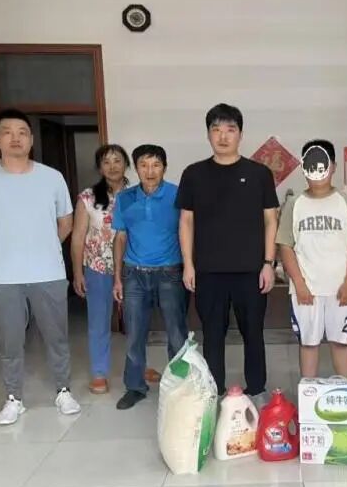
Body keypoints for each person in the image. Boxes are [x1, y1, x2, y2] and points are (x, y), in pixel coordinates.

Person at [0, 108, 81, 426]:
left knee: (57, 337)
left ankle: (63, 391)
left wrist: (42, 246)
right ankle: (14, 398)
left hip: (48, 273)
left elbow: (66, 222)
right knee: (10, 342)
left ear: (31, 139)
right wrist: (1, 247)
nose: (15, 138)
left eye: (22, 132)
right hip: (3, 277)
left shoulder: (51, 177)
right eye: (7, 132)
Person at [177, 103, 279, 397]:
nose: (223, 136)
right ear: (208, 134)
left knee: (253, 333)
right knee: (212, 335)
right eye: (216, 130)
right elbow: (186, 221)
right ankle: (214, 390)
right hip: (208, 271)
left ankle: (256, 389)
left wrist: (268, 263)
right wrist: (188, 264)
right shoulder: (194, 174)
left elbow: (271, 220)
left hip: (251, 270)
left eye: (230, 129)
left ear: (240, 134)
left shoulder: (259, 173)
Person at [277, 139, 347, 378]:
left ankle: (345, 393)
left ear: (333, 167)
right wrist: (299, 283)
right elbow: (286, 246)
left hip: (343, 289)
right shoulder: (294, 204)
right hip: (306, 290)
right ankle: (309, 395)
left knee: (341, 343)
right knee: (308, 344)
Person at [111, 144, 187, 410]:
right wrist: (118, 277)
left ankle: (179, 387)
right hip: (134, 274)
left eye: (156, 165)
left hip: (170, 273)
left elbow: (188, 231)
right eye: (143, 165)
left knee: (176, 333)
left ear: (164, 167)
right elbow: (120, 237)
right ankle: (135, 387)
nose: (150, 171)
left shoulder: (178, 195)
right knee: (134, 334)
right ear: (136, 168)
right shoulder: (125, 198)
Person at [71, 144, 131, 395]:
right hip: (98, 267)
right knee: (99, 321)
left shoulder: (137, 194)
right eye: (106, 162)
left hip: (132, 266)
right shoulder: (88, 198)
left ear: (126, 164)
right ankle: (99, 372)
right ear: (99, 168)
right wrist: (77, 272)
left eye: (117, 161)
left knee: (137, 321)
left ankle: (138, 366)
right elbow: (78, 237)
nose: (112, 166)